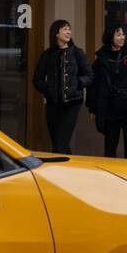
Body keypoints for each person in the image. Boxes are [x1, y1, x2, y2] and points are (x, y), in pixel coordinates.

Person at [87, 24, 127, 160]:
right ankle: (111, 175)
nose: (122, 37)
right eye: (118, 34)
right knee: (110, 145)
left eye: (123, 35)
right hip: (110, 107)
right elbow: (94, 86)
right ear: (110, 37)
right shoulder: (100, 60)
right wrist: (92, 109)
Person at [32, 19, 93, 155]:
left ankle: (59, 172)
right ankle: (69, 169)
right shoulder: (47, 54)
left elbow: (90, 76)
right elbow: (37, 79)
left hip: (72, 103)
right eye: (65, 29)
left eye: (69, 29)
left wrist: (77, 83)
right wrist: (48, 89)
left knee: (60, 144)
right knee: (59, 143)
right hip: (53, 104)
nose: (68, 32)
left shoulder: (77, 53)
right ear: (56, 33)